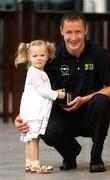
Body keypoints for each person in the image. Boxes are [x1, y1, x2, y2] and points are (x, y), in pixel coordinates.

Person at [15, 11, 110, 173]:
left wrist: (85, 99)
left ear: (85, 30)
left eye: (78, 31)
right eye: (69, 32)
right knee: (47, 130)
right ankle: (70, 155)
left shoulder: (99, 53)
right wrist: (22, 116)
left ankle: (96, 156)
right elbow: (35, 90)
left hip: (91, 114)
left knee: (102, 100)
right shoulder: (52, 57)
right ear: (61, 31)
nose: (74, 37)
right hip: (63, 113)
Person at [15, 40, 65, 173]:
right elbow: (42, 90)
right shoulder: (35, 73)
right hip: (34, 111)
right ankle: (36, 165)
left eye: (42, 55)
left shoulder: (37, 72)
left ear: (48, 56)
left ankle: (29, 163)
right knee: (34, 139)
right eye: (35, 56)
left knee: (29, 139)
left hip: (30, 110)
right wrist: (57, 94)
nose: (39, 58)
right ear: (29, 57)